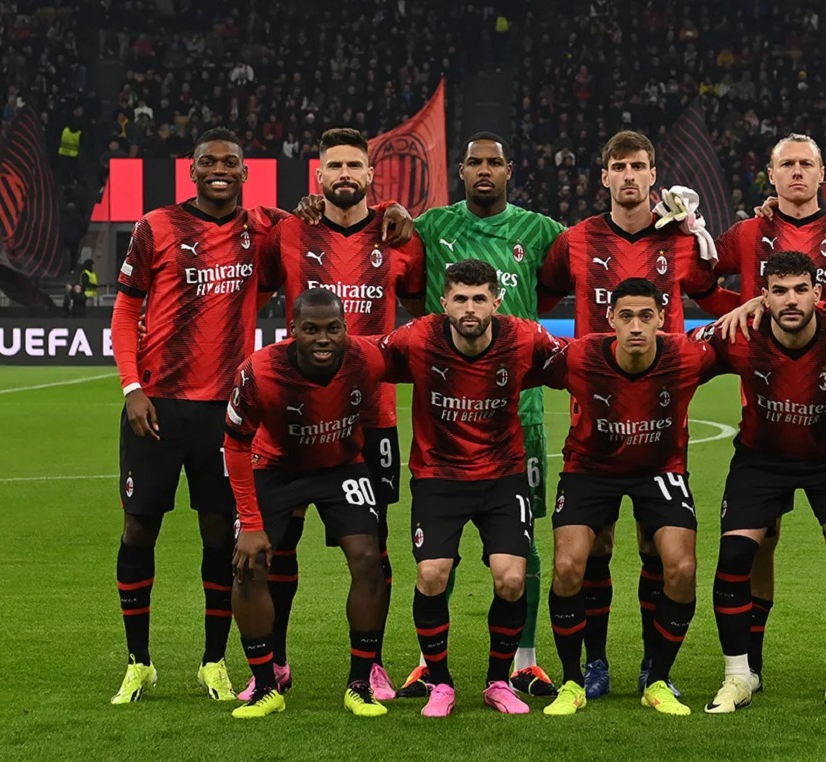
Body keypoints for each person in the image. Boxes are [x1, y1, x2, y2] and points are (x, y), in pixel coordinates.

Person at [536, 130, 736, 701]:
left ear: (655, 176)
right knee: (590, 550)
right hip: (593, 430)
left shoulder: (678, 240)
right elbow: (543, 295)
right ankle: (592, 665)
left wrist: (697, 232)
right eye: (619, 167)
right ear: (604, 177)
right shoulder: (575, 241)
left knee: (661, 551)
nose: (629, 176)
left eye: (639, 166)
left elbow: (709, 285)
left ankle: (654, 668)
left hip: (660, 428)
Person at [237, 127, 427, 702]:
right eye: (334, 166)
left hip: (373, 418)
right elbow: (258, 285)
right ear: (318, 177)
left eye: (354, 166)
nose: (345, 174)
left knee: (372, 546)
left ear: (372, 176)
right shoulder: (291, 232)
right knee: (280, 546)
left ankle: (370, 666)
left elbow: (417, 314)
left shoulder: (400, 236)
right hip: (293, 416)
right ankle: (276, 663)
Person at [109, 128, 288, 705]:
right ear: (192, 171)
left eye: (229, 162)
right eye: (208, 161)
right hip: (156, 408)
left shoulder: (259, 231)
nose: (219, 169)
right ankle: (139, 663)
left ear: (243, 172)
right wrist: (133, 386)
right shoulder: (156, 225)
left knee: (220, 533)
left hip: (226, 411)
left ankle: (214, 661)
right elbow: (125, 308)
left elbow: (309, 232)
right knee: (140, 527)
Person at [716, 134, 826, 700]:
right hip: (762, 424)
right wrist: (736, 311)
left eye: (805, 164)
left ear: (821, 173)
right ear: (770, 173)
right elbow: (690, 277)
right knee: (756, 545)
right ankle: (746, 669)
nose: (795, 173)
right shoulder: (744, 234)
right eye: (785, 164)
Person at [376, 259, 567, 718]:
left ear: (496, 302)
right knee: (431, 575)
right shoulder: (419, 336)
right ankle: (439, 683)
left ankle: (498, 682)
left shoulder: (523, 336)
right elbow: (366, 357)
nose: (469, 307)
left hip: (502, 476)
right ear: (444, 303)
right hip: (439, 476)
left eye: (479, 298)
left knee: (511, 577)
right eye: (460, 298)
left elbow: (575, 361)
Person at [537, 278, 719, 717]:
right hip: (590, 469)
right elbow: (520, 358)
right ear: (610, 320)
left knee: (681, 566)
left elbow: (743, 342)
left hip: (660, 469)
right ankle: (578, 676)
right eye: (626, 316)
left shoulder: (688, 356)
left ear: (662, 318)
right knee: (569, 565)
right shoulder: (580, 357)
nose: (635, 326)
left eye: (645, 316)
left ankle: (656, 675)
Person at [224, 288, 391, 719]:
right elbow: (235, 445)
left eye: (332, 329)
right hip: (275, 467)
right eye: (311, 329)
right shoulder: (259, 372)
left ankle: (361, 682)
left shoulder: (366, 358)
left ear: (345, 330)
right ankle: (266, 684)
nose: (323, 338)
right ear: (291, 330)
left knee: (369, 558)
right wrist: (250, 520)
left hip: (341, 466)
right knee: (249, 564)